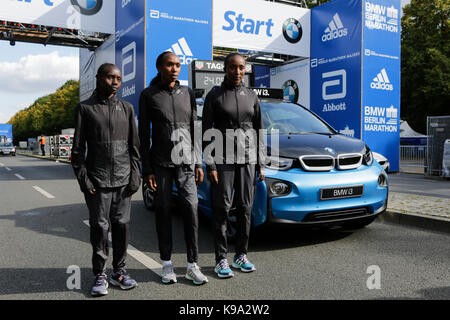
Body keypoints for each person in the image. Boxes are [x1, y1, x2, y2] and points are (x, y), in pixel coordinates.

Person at [139, 52, 208, 286]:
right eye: (170, 65)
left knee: (191, 211)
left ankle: (192, 265)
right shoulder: (148, 95)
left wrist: (198, 161)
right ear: (159, 67)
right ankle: (166, 264)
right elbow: (142, 134)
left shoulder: (187, 93)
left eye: (178, 65)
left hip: (187, 164)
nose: (175, 68)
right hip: (160, 166)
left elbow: (194, 129)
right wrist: (147, 169)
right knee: (164, 213)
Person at [71, 63, 141, 297]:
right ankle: (99, 274)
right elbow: (78, 151)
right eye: (110, 77)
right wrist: (85, 181)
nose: (115, 82)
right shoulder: (85, 109)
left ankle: (119, 271)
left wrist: (135, 177)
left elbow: (134, 148)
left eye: (119, 78)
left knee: (121, 227)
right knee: (100, 228)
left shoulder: (127, 108)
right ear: (100, 78)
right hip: (97, 182)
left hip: (123, 181)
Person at [202, 53, 265, 279]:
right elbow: (206, 132)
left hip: (247, 160)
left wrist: (261, 163)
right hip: (223, 160)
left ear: (245, 69)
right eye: (232, 67)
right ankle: (221, 259)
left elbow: (259, 130)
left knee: (246, 208)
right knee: (222, 209)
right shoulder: (215, 95)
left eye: (241, 68)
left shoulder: (251, 96)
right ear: (225, 69)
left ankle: (241, 255)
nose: (237, 72)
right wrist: (210, 165)